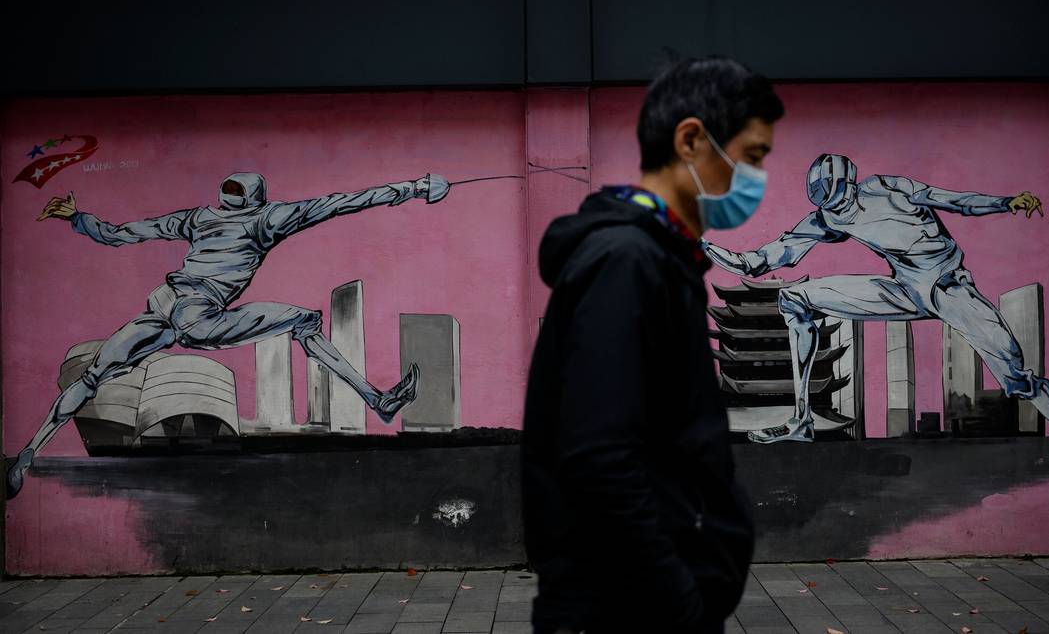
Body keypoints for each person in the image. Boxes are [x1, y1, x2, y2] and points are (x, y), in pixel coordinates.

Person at [522, 57, 783, 633]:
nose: (758, 177)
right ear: (691, 140)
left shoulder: (656, 258)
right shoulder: (628, 261)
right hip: (627, 612)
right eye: (754, 155)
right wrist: (680, 606)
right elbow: (601, 459)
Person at [6, 171, 450, 499]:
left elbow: (120, 235)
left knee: (92, 378)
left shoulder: (204, 218)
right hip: (196, 317)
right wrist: (413, 188)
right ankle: (378, 401)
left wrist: (76, 218)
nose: (228, 198)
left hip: (161, 307)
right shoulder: (265, 219)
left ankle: (25, 457)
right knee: (304, 321)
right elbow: (341, 201)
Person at [703, 154, 1049, 496]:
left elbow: (953, 201)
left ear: (850, 186)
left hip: (950, 288)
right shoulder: (826, 218)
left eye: (841, 203)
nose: (841, 215)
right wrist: (704, 245)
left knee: (1021, 381)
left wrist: (1005, 203)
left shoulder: (889, 189)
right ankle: (801, 420)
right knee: (794, 297)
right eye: (831, 208)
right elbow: (757, 261)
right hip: (904, 290)